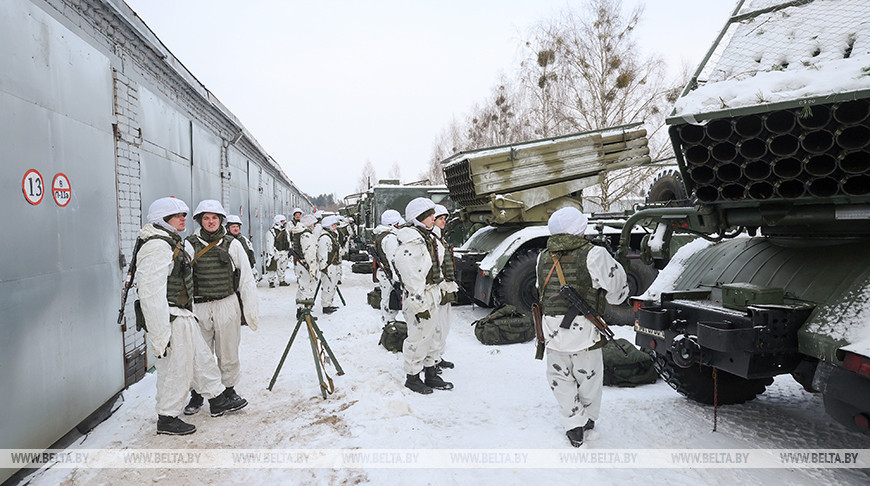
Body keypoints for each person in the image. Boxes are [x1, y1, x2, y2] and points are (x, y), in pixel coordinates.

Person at [136, 197, 247, 435]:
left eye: (184, 215)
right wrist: (159, 335)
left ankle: (217, 399)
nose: (183, 219)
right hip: (170, 317)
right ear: (163, 220)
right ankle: (167, 417)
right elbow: (150, 294)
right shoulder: (156, 247)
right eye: (177, 216)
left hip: (183, 314)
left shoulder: (169, 242)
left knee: (201, 359)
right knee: (176, 368)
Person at [535, 207, 628, 448]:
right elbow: (616, 293)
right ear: (580, 229)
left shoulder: (543, 255)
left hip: (551, 330)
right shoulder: (595, 254)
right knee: (589, 378)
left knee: (559, 377)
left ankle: (573, 424)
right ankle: (586, 421)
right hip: (584, 331)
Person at [182, 200, 260, 416]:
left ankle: (229, 390)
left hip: (226, 303)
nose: (210, 222)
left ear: (220, 220)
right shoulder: (189, 244)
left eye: (214, 218)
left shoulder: (232, 244)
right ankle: (198, 393)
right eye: (206, 218)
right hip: (199, 307)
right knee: (199, 353)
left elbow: (245, 278)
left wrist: (250, 311)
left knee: (228, 350)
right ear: (199, 220)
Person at [393, 198, 453, 394]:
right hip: (419, 295)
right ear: (418, 217)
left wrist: (444, 287)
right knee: (418, 337)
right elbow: (410, 276)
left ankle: (431, 371)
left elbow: (437, 265)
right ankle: (412, 377)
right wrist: (419, 304)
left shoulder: (429, 237)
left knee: (434, 335)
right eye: (429, 215)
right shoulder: (411, 242)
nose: (433, 218)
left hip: (432, 292)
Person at [432, 204, 459, 371]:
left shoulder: (439, 237)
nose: (444, 222)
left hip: (445, 286)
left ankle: (437, 356)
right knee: (438, 325)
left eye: (444, 219)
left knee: (445, 323)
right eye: (440, 219)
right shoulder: (432, 239)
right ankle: (432, 360)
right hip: (439, 286)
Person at [372, 209, 404, 326]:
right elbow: (393, 260)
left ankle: (388, 322)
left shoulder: (383, 235)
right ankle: (389, 325)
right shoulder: (390, 238)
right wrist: (398, 278)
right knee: (389, 300)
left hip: (386, 273)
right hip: (389, 274)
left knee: (386, 299)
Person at [291, 214, 319, 318]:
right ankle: (305, 312)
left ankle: (300, 308)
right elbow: (309, 253)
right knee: (307, 288)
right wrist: (312, 269)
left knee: (302, 287)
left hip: (299, 263)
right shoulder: (306, 234)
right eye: (313, 224)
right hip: (304, 264)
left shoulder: (298, 232)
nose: (314, 226)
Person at [317, 215, 343, 314]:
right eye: (334, 225)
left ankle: (329, 303)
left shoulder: (331, 236)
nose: (336, 226)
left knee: (333, 286)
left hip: (334, 265)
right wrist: (324, 268)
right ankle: (326, 306)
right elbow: (322, 253)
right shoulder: (325, 238)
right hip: (329, 266)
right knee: (328, 286)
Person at [226, 214, 257, 279]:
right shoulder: (224, 241)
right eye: (233, 227)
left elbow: (250, 253)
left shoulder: (244, 240)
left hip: (245, 272)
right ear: (228, 228)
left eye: (237, 227)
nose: (236, 229)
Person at [265, 214, 290, 287]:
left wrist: (289, 250)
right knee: (272, 268)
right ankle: (271, 281)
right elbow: (270, 244)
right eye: (282, 221)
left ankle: (282, 280)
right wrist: (271, 254)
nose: (284, 223)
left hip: (284, 252)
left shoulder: (285, 231)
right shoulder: (272, 232)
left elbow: (288, 241)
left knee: (283, 267)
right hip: (275, 252)